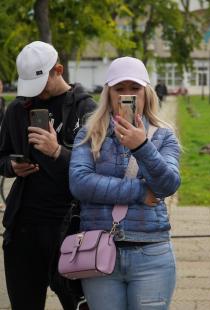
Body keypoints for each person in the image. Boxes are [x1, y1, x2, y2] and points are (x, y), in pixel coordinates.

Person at [69, 56, 180, 309]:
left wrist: (141, 146)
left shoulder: (163, 135)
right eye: (119, 89)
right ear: (108, 94)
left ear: (146, 93)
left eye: (134, 89)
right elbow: (80, 183)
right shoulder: (90, 133)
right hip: (98, 252)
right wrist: (140, 191)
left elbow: (168, 184)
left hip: (151, 253)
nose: (127, 95)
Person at [0, 41, 96, 309]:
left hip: (70, 227)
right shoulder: (17, 109)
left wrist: (57, 152)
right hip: (23, 227)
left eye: (41, 85)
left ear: (58, 70)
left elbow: (96, 168)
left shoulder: (85, 109)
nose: (36, 95)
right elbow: (1, 155)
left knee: (77, 304)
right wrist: (12, 167)